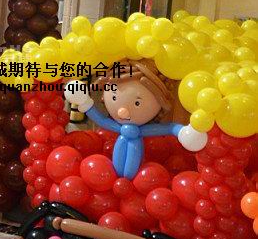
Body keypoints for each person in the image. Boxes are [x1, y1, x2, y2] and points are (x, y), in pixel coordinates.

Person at [64, 59, 207, 179]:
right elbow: (100, 120)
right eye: (114, 97)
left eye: (137, 103)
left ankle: (126, 180)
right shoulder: (118, 127)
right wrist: (84, 102)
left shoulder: (142, 129)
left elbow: (168, 128)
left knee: (129, 173)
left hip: (139, 176)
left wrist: (181, 131)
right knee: (120, 171)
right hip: (114, 173)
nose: (122, 111)